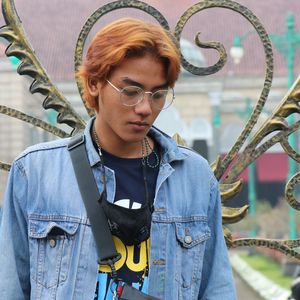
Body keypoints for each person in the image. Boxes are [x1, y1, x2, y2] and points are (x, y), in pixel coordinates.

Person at [0, 18, 236, 299]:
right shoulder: (36, 172)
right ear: (94, 83)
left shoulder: (194, 176)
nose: (145, 108)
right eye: (131, 92)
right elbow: (11, 288)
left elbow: (216, 288)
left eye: (158, 94)